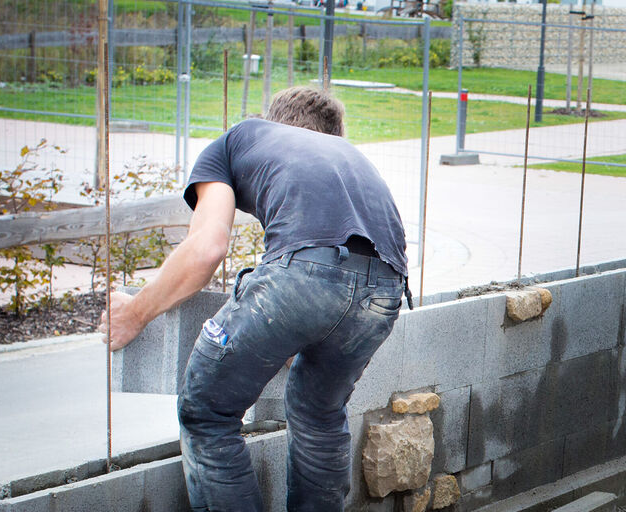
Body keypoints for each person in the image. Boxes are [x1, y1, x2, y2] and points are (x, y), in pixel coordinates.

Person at [99, 86, 411, 511]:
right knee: (319, 414)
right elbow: (348, 267)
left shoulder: (238, 139)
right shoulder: (350, 158)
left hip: (307, 275)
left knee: (207, 411)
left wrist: (134, 313)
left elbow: (207, 248)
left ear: (273, 122)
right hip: (387, 289)